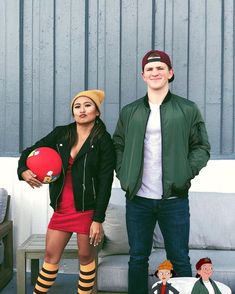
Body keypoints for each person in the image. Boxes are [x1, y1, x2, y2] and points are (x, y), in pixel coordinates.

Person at [113, 49, 210, 294]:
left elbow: (201, 146)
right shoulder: (130, 111)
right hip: (139, 199)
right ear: (143, 75)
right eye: (149, 69)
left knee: (179, 258)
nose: (155, 72)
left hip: (174, 199)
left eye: (160, 68)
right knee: (137, 258)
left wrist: (186, 172)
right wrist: (124, 174)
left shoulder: (187, 109)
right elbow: (118, 146)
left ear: (170, 72)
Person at [17, 90, 115, 294]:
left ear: (97, 111)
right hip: (62, 208)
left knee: (86, 259)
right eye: (77, 106)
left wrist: (98, 219)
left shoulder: (104, 140)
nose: (82, 110)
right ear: (73, 112)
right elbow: (30, 151)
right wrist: (23, 171)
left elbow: (106, 182)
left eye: (88, 105)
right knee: (51, 257)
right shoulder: (62, 133)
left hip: (87, 211)